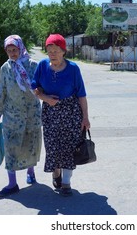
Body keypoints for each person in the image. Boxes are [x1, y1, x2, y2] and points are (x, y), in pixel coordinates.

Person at [31, 33, 90, 196]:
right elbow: (35, 88)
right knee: (52, 147)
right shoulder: (42, 66)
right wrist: (45, 98)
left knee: (69, 147)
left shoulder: (73, 69)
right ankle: (56, 172)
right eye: (49, 50)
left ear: (64, 51)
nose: (53, 53)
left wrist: (85, 117)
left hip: (71, 112)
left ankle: (66, 182)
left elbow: (82, 95)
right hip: (50, 113)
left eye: (56, 50)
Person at [0, 35, 42, 198]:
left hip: (31, 114)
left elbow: (43, 88)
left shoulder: (34, 65)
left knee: (30, 144)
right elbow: (2, 93)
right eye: (9, 50)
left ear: (21, 48)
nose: (12, 53)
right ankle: (12, 183)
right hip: (12, 115)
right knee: (11, 148)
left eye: (15, 50)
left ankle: (31, 172)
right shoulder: (5, 68)